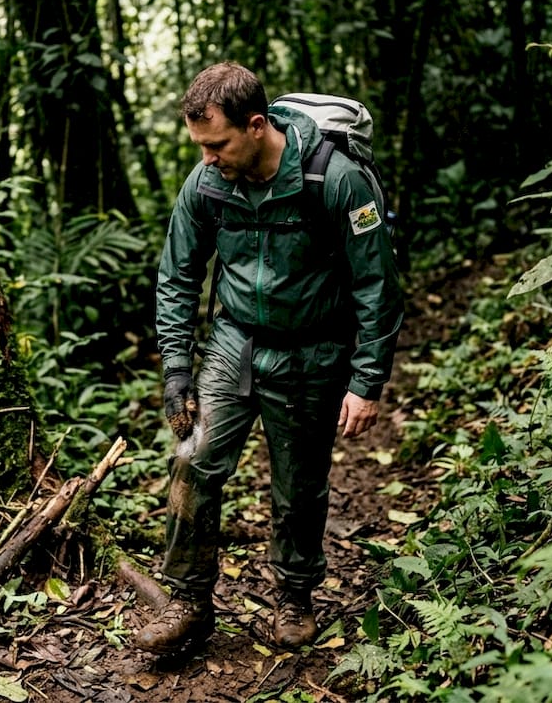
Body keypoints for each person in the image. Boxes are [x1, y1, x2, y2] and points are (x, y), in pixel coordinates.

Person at [132, 62, 403, 655]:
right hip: (235, 342)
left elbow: (376, 283)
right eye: (199, 145)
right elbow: (176, 275)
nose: (207, 157)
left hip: (313, 349)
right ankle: (188, 600)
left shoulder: (334, 179)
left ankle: (295, 596)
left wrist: (367, 380)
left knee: (299, 484)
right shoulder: (206, 183)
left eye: (217, 144)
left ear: (256, 126)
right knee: (193, 459)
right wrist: (177, 369)